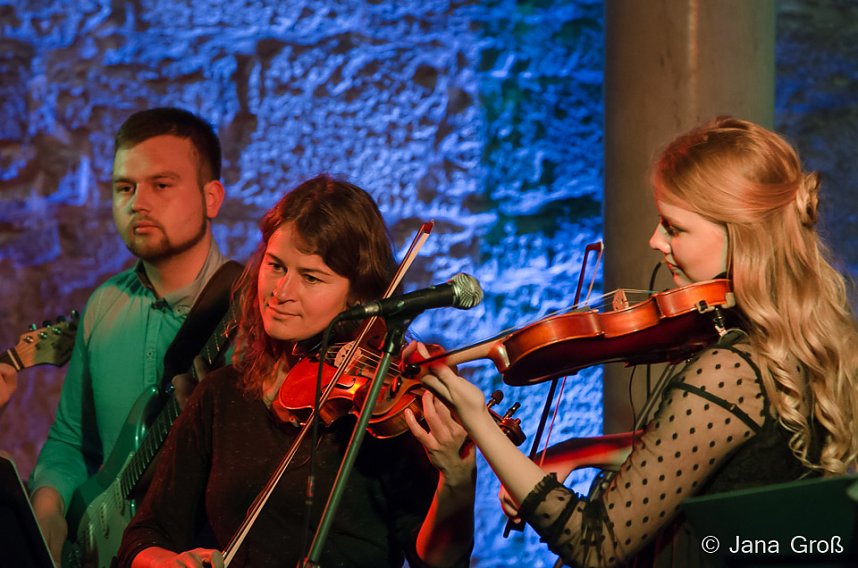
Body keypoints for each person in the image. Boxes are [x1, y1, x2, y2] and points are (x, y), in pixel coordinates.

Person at [420, 116, 858, 566]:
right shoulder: (784, 341)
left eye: (674, 227)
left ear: (741, 233)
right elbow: (702, 447)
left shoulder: (731, 368)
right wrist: (581, 449)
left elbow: (596, 545)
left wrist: (479, 420)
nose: (655, 240)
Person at [117, 175, 476, 568]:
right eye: (275, 266)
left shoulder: (385, 415)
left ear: (357, 296)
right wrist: (166, 562)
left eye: (310, 277)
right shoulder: (221, 395)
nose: (281, 291)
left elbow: (440, 562)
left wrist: (456, 480)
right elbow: (145, 534)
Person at [29, 107, 232, 561]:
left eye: (161, 185)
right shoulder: (104, 304)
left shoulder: (249, 312)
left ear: (212, 198)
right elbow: (71, 440)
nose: (138, 202)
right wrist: (48, 505)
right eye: (125, 187)